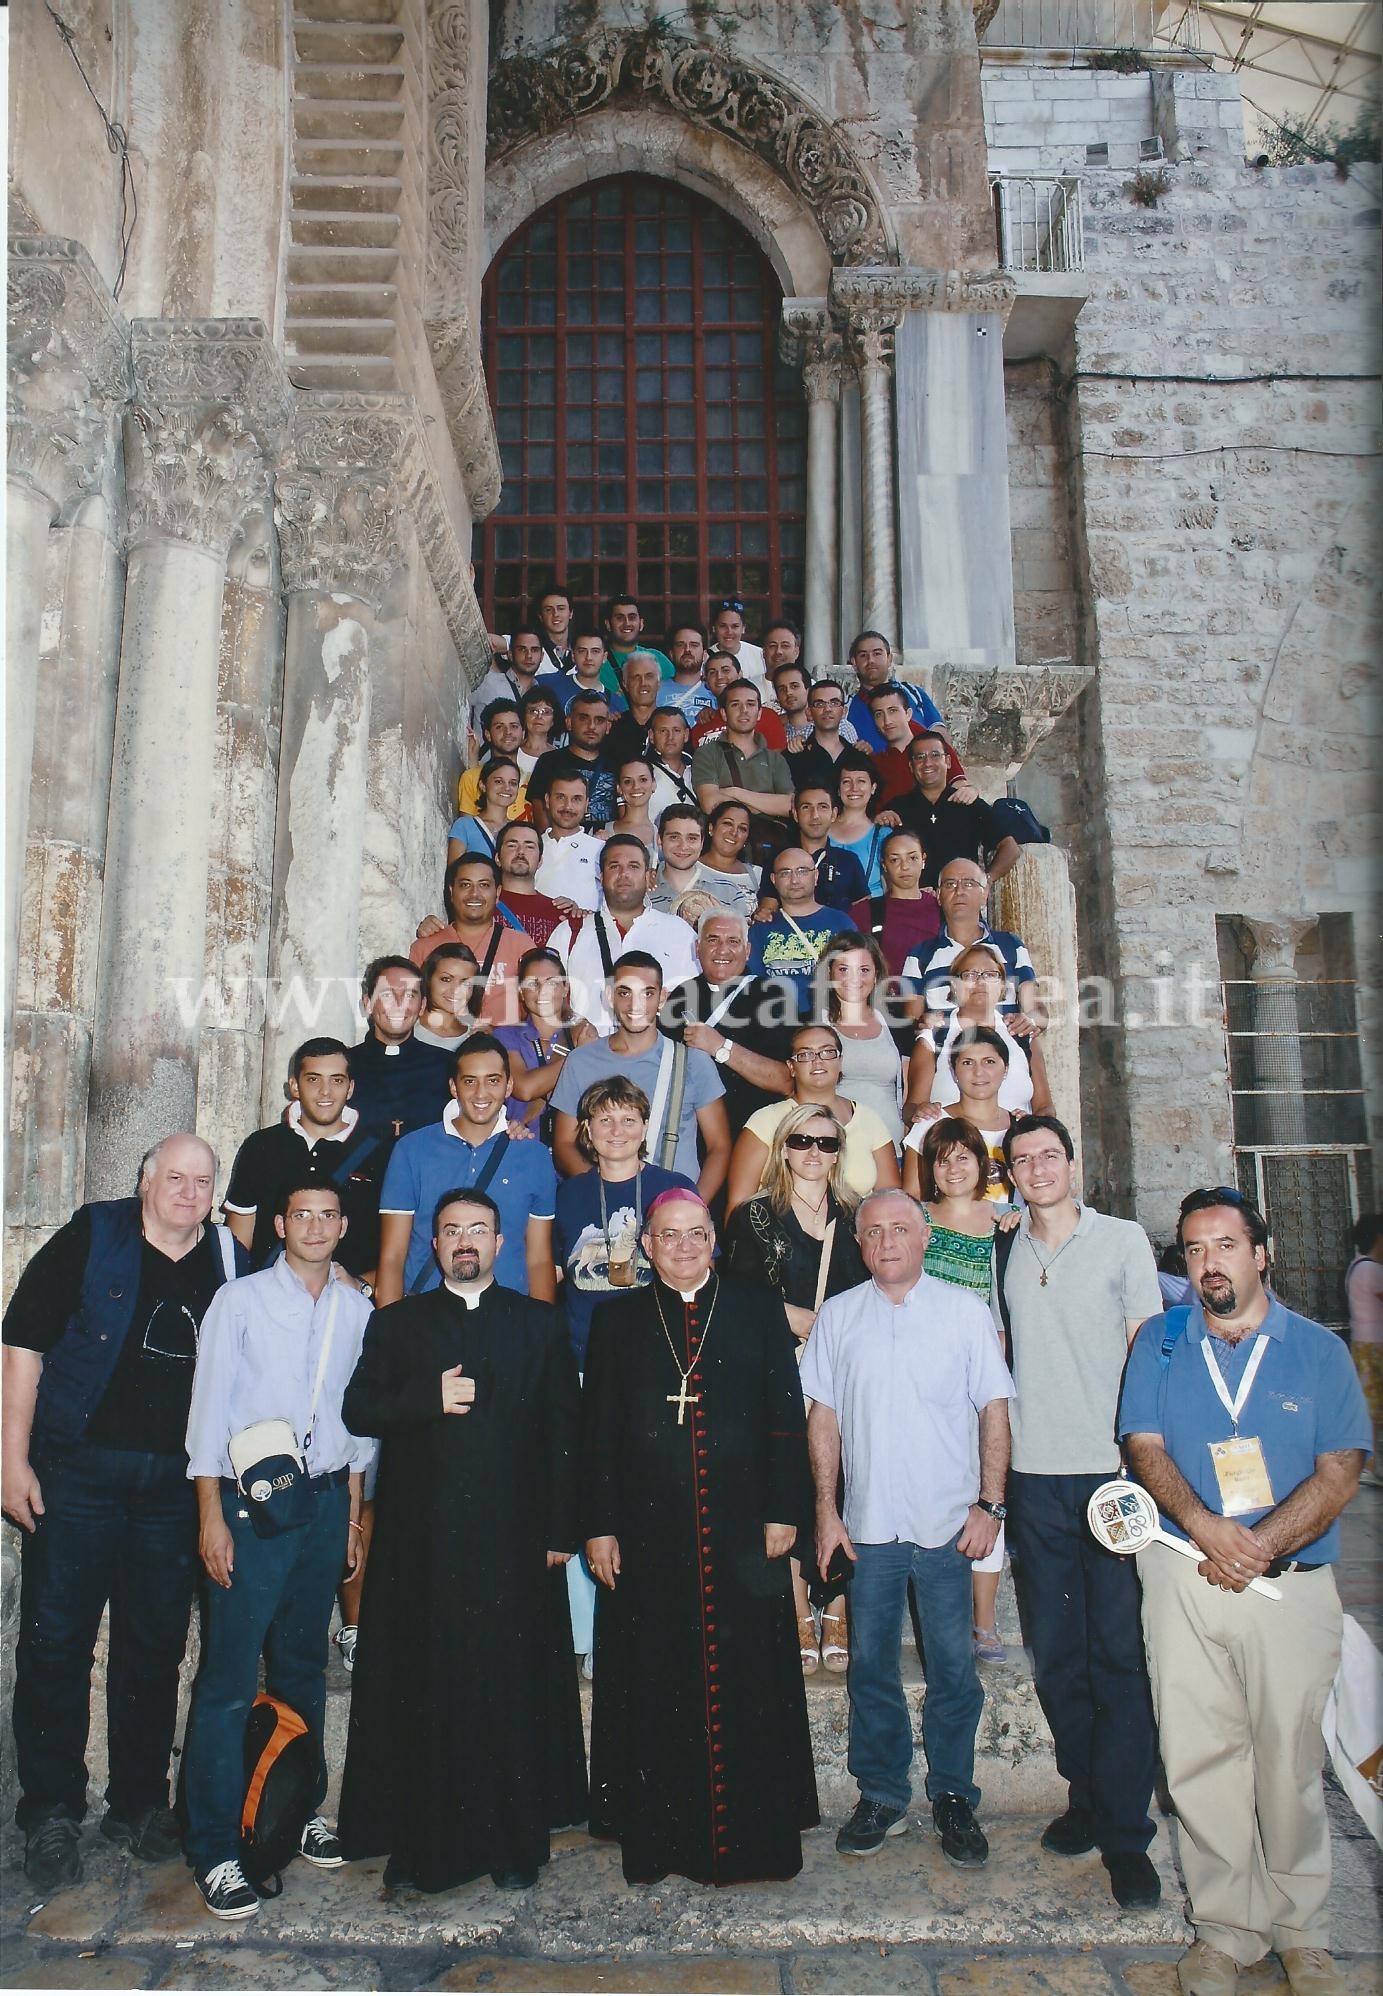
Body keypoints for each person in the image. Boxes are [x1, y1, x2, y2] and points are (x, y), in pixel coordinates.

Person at [1121, 1187, 1371, 1996]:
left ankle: (1304, 1933)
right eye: (1193, 1250)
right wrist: (1204, 1528)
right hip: (1182, 1572)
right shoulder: (1159, 1341)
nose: (1208, 1264)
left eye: (1224, 1246)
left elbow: (1339, 1472)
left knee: (1288, 1760)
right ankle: (1225, 1930)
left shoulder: (1316, 1352)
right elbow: (1143, 1445)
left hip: (1287, 1586)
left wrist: (1258, 1544)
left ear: (1260, 1255)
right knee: (1199, 1755)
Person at [3, 1135, 245, 1892]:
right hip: (75, 1475)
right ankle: (50, 1811)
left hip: (172, 1488)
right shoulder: (94, 1232)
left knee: (153, 1646)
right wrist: (10, 1458)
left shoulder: (229, 1260)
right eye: (173, 1177)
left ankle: (137, 1805)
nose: (187, 1191)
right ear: (145, 1182)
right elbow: (22, 1342)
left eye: (201, 1181)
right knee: (56, 1645)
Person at [338, 1188, 587, 1893]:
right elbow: (358, 1407)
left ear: (501, 1245)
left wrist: (560, 1528)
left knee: (506, 1689)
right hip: (425, 1544)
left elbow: (563, 1432)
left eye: (479, 1229)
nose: (465, 1241)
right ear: (434, 1245)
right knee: (433, 1687)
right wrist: (426, 1399)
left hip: (513, 1540)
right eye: (451, 1231)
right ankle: (431, 1848)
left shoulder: (538, 1324)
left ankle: (511, 1846)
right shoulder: (399, 1324)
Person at [581, 1189, 818, 1884]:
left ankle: (758, 1843)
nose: (683, 1247)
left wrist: (785, 1509)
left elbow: (783, 1417)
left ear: (713, 1239)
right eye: (668, 1236)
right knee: (656, 1682)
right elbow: (595, 1433)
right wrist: (598, 1525)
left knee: (748, 1682)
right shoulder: (617, 1320)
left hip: (743, 1528)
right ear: (646, 1246)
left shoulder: (751, 1308)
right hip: (648, 1536)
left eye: (695, 1234)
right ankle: (660, 1842)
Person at [180, 1180, 375, 1918]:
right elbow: (208, 1409)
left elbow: (358, 1426)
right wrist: (210, 1515)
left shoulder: (357, 1310)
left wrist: (354, 1518)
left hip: (323, 1503)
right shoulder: (242, 1300)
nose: (316, 1226)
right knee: (229, 1676)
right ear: (282, 1225)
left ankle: (294, 1811)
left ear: (343, 1226)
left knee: (302, 1668)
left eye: (328, 1216)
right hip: (247, 1503)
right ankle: (215, 1847)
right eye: (303, 1216)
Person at [802, 1190, 1013, 1868]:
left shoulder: (963, 1312)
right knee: (871, 1668)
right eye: (872, 1231)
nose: (886, 1241)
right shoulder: (837, 1317)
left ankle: (952, 1796)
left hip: (950, 1527)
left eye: (899, 1229)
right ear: (859, 1244)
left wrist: (990, 1505)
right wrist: (826, 1512)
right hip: (868, 1528)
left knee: (952, 1668)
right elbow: (823, 1420)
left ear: (924, 1238)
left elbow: (993, 1410)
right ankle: (883, 1796)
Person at [997, 1113, 1164, 1911]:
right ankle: (1086, 1794)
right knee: (1057, 1656)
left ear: (1071, 1163)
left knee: (1117, 1657)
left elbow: (1146, 1345)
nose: (1036, 1168)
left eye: (1048, 1155)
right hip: (1034, 1478)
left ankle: (1128, 1836)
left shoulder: (1122, 1239)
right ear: (1011, 1174)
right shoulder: (1003, 1248)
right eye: (1022, 1159)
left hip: (1110, 1476)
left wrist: (1144, 1466)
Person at [724, 1104, 865, 1673]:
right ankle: (798, 1608)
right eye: (803, 1141)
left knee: (846, 1481)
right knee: (788, 1480)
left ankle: (839, 1606)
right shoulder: (753, 1217)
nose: (814, 1153)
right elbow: (734, 1300)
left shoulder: (857, 1216)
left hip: (844, 1369)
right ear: (783, 1147)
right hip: (777, 1366)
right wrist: (802, 1319)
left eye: (827, 1144)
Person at [914, 1119, 1015, 1665]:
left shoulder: (1003, 1221)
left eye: (964, 1158)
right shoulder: (917, 1219)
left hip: (982, 1369)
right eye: (942, 1159)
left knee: (985, 1490)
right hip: (924, 1373)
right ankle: (942, 1619)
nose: (954, 1169)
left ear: (983, 1165)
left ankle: (984, 1622)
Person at [375, 1034, 557, 1306]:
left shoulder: (534, 1156)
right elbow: (392, 1256)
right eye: (470, 1081)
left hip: (507, 1317)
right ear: (453, 1087)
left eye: (493, 1081)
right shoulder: (411, 1150)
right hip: (427, 1316)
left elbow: (540, 1259)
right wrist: (390, 1331)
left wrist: (542, 1333)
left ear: (509, 1086)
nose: (481, 1093)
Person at [551, 952, 730, 1199]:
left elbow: (719, 1147)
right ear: (609, 996)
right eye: (625, 993)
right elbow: (564, 1144)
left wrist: (692, 1205)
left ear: (662, 998)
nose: (635, 1006)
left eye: (647, 993)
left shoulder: (692, 1062)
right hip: (604, 1212)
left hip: (675, 1213)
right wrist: (605, 1193)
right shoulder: (581, 1061)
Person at [223, 1037, 378, 1275]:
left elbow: (395, 1248)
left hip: (348, 1300)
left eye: (337, 1080)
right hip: (269, 1297)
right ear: (295, 1086)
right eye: (313, 1079)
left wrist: (362, 1284)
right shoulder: (262, 1146)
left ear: (350, 1088)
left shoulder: (379, 1151)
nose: (325, 1091)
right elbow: (237, 1243)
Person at [345, 958, 454, 1269]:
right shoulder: (342, 1067)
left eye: (410, 995)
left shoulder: (448, 1067)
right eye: (387, 993)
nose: (399, 1004)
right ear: (368, 1003)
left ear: (421, 1007)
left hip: (427, 1209)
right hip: (357, 1209)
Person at [728, 1023, 900, 1215]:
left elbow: (892, 1202)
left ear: (840, 1061)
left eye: (827, 1052)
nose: (818, 1061)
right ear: (791, 1067)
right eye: (805, 1055)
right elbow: (738, 1209)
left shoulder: (869, 1120)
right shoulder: (764, 1122)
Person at [657, 909, 794, 1131]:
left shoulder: (772, 995)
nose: (723, 949)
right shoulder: (681, 996)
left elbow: (786, 1081)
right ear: (697, 948)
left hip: (755, 1131)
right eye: (713, 940)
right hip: (690, 1133)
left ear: (747, 950)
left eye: (733, 941)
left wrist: (721, 1047)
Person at [549, 835, 698, 1035]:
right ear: (601, 876)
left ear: (648, 876)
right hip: (590, 1057)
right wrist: (576, 1023)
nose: (623, 874)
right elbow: (548, 994)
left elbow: (697, 999)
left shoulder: (680, 933)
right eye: (614, 866)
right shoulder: (570, 932)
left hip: (659, 1057)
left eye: (634, 866)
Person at [910, 945, 1052, 1117]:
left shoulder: (1020, 1034)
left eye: (990, 975)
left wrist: (1032, 1126)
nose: (980, 982)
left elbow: (1045, 1106)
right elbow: (912, 1108)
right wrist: (921, 1112)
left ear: (1002, 986)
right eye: (969, 975)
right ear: (954, 985)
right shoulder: (934, 1037)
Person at [903, 858, 1043, 1032]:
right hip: (944, 1055)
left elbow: (1035, 1011)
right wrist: (922, 1023)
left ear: (984, 894)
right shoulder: (919, 955)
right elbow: (911, 1022)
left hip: (1005, 1054)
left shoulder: (1010, 946)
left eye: (969, 884)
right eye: (950, 884)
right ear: (938, 896)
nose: (959, 891)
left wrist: (1030, 1021)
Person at [409, 854, 531, 1028]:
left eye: (484, 885)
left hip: (502, 1051)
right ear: (451, 892)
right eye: (465, 885)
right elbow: (411, 1007)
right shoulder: (424, 947)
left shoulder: (521, 946)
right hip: (439, 1050)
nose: (474, 894)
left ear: (497, 893)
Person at [904, 1025, 1020, 1203]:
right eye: (967, 1062)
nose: (979, 1072)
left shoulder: (1020, 1127)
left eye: (989, 1061)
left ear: (1005, 1068)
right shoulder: (931, 1124)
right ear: (954, 1070)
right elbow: (912, 1199)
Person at [896, 734, 1021, 888]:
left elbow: (1010, 848)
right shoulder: (898, 808)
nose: (927, 763)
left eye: (935, 755)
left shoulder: (968, 803)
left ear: (948, 761)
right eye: (920, 757)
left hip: (961, 901)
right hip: (916, 904)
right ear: (911, 766)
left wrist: (986, 879)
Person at [495, 947, 596, 1136]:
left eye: (552, 983)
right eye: (533, 984)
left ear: (565, 988)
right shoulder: (506, 1035)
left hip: (573, 1147)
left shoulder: (581, 1034)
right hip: (523, 1143)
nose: (542, 992)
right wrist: (578, 1056)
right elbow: (524, 1089)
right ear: (521, 992)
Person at [819, 931, 907, 1148]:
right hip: (834, 1150)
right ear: (829, 972)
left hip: (891, 1148)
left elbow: (909, 1095)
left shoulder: (897, 1025)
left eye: (864, 970)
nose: (854, 979)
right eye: (843, 969)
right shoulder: (812, 1025)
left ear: (876, 974)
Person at [748, 848, 857, 1017]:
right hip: (776, 1024)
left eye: (802, 871)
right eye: (785, 873)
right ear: (773, 880)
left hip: (831, 1021)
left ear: (816, 876)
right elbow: (754, 984)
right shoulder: (761, 928)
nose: (794, 880)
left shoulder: (841, 922)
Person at [691, 679, 794, 858]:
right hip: (724, 851)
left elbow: (788, 806)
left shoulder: (775, 759)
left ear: (759, 712)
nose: (744, 710)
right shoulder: (707, 753)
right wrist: (767, 804)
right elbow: (711, 804)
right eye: (735, 704)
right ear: (723, 713)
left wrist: (735, 792)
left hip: (768, 851)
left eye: (750, 704)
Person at [755, 785, 870, 919]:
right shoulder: (779, 859)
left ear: (833, 814)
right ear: (795, 814)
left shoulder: (849, 861)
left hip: (840, 938)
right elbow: (768, 909)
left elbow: (864, 914)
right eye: (806, 807)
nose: (815, 815)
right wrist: (764, 914)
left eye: (822, 807)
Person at [851, 827, 942, 981]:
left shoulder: (941, 908)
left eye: (912, 858)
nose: (905, 867)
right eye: (895, 860)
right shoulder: (865, 911)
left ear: (923, 860)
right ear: (884, 865)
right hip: (884, 1000)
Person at [527, 689, 619, 834]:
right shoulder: (549, 762)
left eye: (599, 720)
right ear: (569, 723)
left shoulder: (618, 765)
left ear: (608, 727)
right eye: (584, 718)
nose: (592, 726)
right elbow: (541, 813)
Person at [844, 631, 948, 754]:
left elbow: (940, 737)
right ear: (854, 663)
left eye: (877, 653)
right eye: (863, 655)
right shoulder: (846, 709)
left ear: (889, 659)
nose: (870, 660)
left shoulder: (914, 694)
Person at [531, 772, 605, 913]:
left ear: (586, 804)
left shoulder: (601, 849)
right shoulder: (530, 847)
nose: (568, 807)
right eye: (560, 797)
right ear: (547, 800)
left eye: (576, 799)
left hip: (586, 932)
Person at [1345, 1212, 1383, 1484]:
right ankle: (1368, 1465)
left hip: (1365, 1343)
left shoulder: (1358, 1266)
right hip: (1374, 1346)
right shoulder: (1371, 1270)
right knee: (1373, 1410)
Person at [454, 699, 529, 826]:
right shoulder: (472, 777)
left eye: (514, 726)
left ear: (523, 733)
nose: (508, 732)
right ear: (488, 735)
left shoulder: (532, 781)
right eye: (499, 727)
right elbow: (466, 831)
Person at [828, 753, 893, 897]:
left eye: (861, 781)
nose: (854, 788)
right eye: (846, 782)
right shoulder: (821, 829)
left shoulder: (884, 835)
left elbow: (890, 887)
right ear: (838, 790)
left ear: (873, 788)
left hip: (869, 914)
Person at [469, 627, 548, 743]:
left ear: (542, 656)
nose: (529, 656)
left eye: (534, 650)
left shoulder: (543, 697)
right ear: (510, 654)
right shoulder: (487, 681)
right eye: (522, 649)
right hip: (484, 760)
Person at [494, 820, 564, 947]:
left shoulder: (559, 912)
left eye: (529, 846)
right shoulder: (482, 905)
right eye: (512, 845)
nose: (521, 852)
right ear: (498, 858)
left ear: (540, 861)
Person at [785, 678, 858, 791]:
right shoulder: (793, 757)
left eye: (834, 703)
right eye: (819, 704)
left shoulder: (858, 757)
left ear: (844, 711)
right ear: (809, 713)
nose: (827, 709)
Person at [449, 756, 526, 863]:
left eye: (513, 783)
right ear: (483, 785)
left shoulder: (519, 831)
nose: (507, 788)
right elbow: (454, 874)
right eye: (499, 781)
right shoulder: (464, 826)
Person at [606, 652, 674, 769]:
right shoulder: (613, 727)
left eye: (649, 676)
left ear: (658, 683)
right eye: (636, 677)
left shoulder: (673, 723)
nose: (643, 683)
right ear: (625, 684)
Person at [696, 799, 759, 918]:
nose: (734, 832)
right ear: (711, 828)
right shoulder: (689, 868)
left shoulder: (758, 875)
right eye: (727, 823)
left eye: (742, 828)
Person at [413, 943, 480, 1053]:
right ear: (428, 979)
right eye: (446, 979)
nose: (456, 990)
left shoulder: (475, 1038)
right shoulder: (404, 1029)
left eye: (466, 983)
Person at [604, 594, 675, 683]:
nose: (627, 623)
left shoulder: (658, 659)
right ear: (608, 624)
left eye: (632, 617)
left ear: (641, 624)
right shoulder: (597, 661)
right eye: (619, 618)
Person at [644, 705, 696, 821]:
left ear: (686, 735)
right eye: (663, 731)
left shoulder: (700, 768)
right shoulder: (641, 771)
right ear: (652, 736)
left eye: (676, 730)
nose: (670, 737)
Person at [555, 627, 623, 712]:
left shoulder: (616, 704)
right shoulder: (551, 686)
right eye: (582, 651)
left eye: (595, 651)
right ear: (573, 655)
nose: (588, 657)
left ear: (604, 657)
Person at [665, 623, 716, 725]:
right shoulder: (654, 690)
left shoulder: (715, 691)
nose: (687, 650)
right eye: (680, 645)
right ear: (671, 654)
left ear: (705, 655)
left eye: (694, 645)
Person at [710, 596, 766, 680]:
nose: (729, 632)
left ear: (743, 628)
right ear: (714, 628)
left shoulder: (760, 656)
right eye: (723, 626)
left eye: (735, 626)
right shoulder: (706, 658)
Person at [768, 658, 814, 754]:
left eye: (794, 686)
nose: (788, 692)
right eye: (782, 689)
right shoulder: (774, 732)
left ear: (808, 690)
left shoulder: (835, 726)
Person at [533, 582, 576, 677]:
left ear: (571, 613)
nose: (555, 614)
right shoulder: (530, 646)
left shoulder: (582, 648)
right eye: (548, 610)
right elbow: (495, 643)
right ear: (540, 616)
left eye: (561, 608)